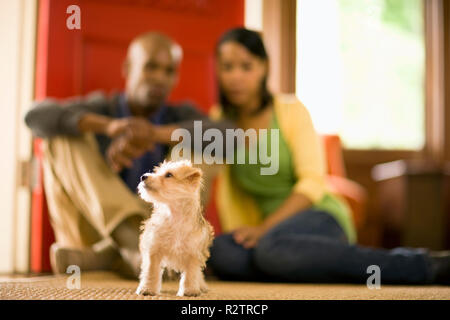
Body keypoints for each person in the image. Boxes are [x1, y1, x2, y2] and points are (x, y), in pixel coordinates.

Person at [207, 27, 450, 285]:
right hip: (267, 233)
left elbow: (312, 183)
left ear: (264, 68)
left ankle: (426, 265)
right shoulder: (219, 121)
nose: (236, 77)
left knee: (269, 252)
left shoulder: (290, 110)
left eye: (246, 66)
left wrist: (265, 229)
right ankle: (302, 262)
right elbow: (206, 175)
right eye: (227, 67)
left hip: (317, 216)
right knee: (220, 252)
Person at [25, 31, 232, 278]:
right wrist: (108, 127)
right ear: (127, 68)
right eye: (151, 67)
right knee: (63, 137)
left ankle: (113, 257)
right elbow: (34, 115)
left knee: (203, 148)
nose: (159, 78)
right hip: (95, 231)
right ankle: (133, 245)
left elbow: (231, 135)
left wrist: (153, 134)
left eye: (169, 71)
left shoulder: (178, 114)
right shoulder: (104, 108)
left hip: (162, 231)